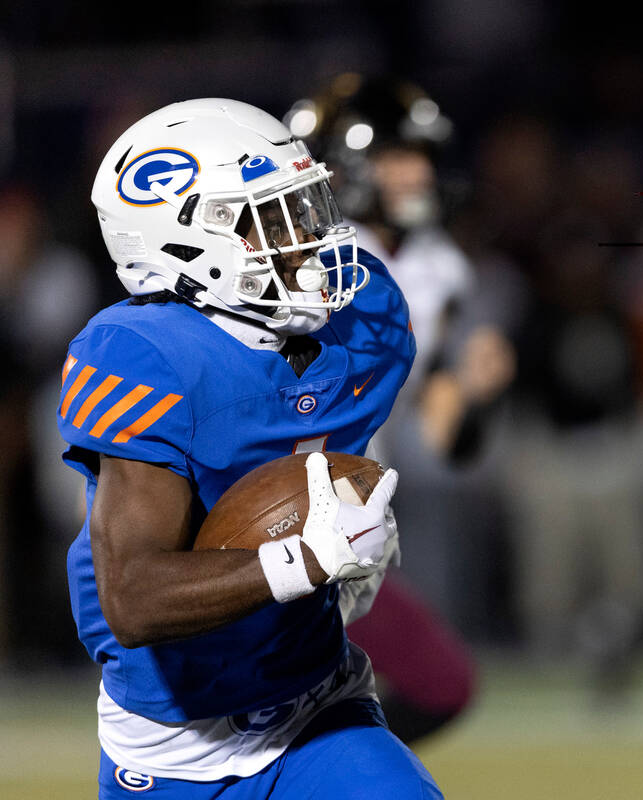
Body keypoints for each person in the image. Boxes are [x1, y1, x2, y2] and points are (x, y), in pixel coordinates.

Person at [58, 98, 442, 798]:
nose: (309, 236)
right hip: (175, 744)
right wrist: (307, 557)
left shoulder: (365, 313)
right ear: (183, 244)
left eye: (304, 208)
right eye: (272, 218)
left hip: (316, 704)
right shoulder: (147, 357)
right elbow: (132, 598)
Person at [287, 74, 516, 742]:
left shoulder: (434, 265)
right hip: (273, 516)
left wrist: (476, 393)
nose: (417, 173)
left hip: (349, 529)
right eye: (395, 156)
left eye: (420, 156)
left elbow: (449, 439)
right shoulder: (293, 257)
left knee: (440, 684)